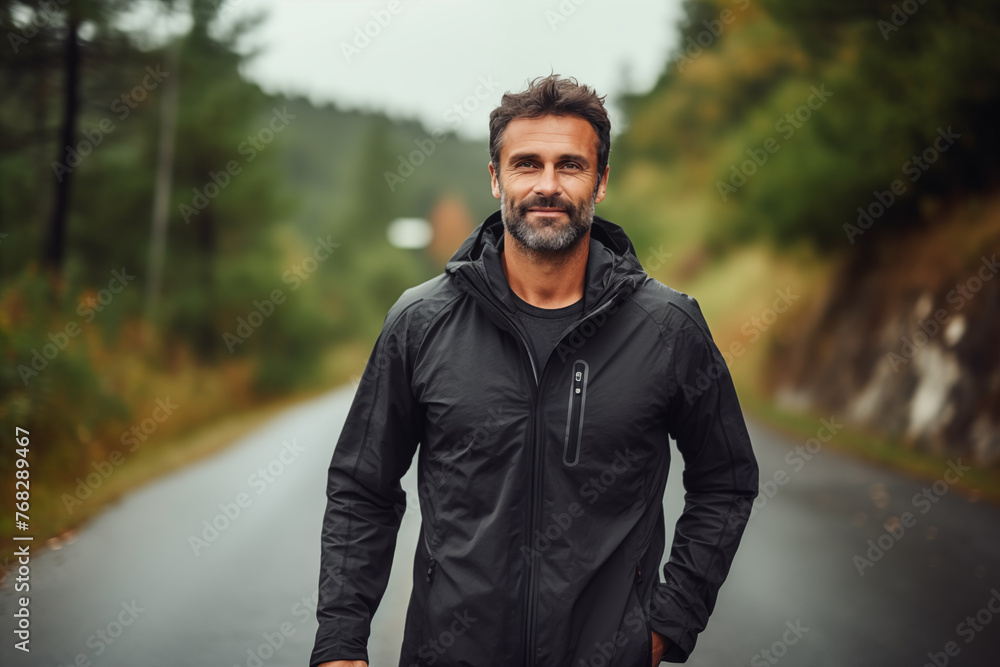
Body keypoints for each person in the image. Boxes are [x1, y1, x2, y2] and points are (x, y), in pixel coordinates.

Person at [311, 74, 759, 667]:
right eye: (527, 164)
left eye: (570, 165)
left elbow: (725, 481)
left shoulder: (668, 328)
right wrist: (341, 644)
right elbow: (361, 488)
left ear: (600, 181)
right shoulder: (420, 322)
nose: (547, 186)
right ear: (496, 177)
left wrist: (667, 624)